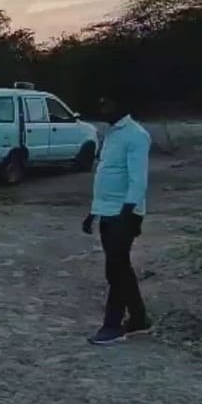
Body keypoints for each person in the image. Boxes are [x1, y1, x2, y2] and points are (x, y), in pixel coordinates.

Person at [82, 97, 152, 345]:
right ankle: (139, 319)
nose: (102, 108)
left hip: (124, 212)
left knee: (116, 268)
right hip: (108, 211)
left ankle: (113, 325)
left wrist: (128, 213)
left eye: (107, 104)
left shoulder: (136, 135)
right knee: (120, 267)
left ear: (122, 105)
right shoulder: (111, 133)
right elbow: (107, 175)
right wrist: (93, 212)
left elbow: (138, 179)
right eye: (100, 103)